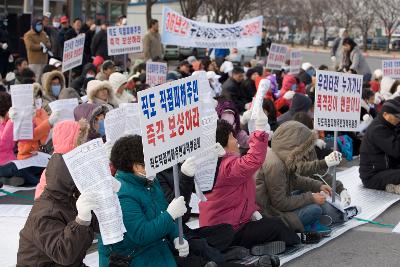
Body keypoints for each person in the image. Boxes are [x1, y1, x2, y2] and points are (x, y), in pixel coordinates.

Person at [199, 116, 300, 251]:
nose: (236, 141)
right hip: (228, 231)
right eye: (231, 137)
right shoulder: (226, 166)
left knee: (270, 223)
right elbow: (253, 159)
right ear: (221, 143)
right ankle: (297, 241)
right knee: (276, 225)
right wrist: (259, 129)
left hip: (227, 227)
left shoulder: (214, 165)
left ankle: (257, 247)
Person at [98, 135, 191, 267]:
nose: (154, 165)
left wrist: (177, 237)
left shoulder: (149, 181)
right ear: (137, 167)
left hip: (156, 250)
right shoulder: (121, 194)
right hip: (133, 258)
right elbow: (141, 234)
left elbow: (163, 212)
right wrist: (170, 215)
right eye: (150, 161)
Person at [256, 121, 359, 234]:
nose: (306, 154)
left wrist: (319, 186)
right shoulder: (276, 165)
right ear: (295, 147)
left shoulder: (280, 157)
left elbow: (296, 180)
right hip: (272, 213)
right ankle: (309, 224)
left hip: (276, 207)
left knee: (315, 200)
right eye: (304, 149)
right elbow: (280, 203)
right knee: (315, 209)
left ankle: (318, 220)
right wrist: (311, 197)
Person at [17, 133, 101, 266]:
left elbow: (100, 225)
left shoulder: (71, 199)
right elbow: (63, 253)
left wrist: (107, 193)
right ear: (72, 181)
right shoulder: (45, 213)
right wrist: (81, 221)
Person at [0, 83, 60, 185]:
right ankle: (38, 183)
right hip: (7, 164)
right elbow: (3, 144)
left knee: (38, 168)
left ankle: (15, 180)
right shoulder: (8, 121)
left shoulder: (10, 120)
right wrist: (12, 121)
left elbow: (27, 136)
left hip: (21, 158)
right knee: (17, 169)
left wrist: (29, 120)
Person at [34, 119, 88, 199]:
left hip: (45, 202)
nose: (83, 141)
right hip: (55, 205)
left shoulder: (56, 158)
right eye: (81, 138)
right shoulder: (66, 162)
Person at [359, 99, 400, 192]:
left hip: (387, 169)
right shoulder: (377, 130)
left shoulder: (388, 124)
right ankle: (391, 186)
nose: (398, 119)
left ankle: (391, 186)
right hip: (373, 177)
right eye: (397, 117)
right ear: (385, 114)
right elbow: (396, 151)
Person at [0, 91, 15, 165]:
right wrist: (11, 122)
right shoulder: (9, 123)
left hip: (12, 160)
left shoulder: (7, 122)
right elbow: (2, 145)